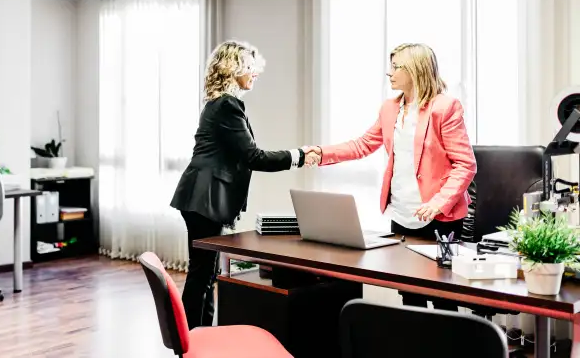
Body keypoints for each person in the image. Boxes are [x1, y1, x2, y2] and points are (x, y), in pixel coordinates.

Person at [310, 43, 476, 310]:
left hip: (440, 219)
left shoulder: (444, 108)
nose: (390, 73)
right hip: (401, 215)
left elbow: (465, 164)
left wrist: (438, 202)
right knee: (410, 295)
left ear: (416, 70)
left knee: (444, 297)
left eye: (397, 66)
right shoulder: (390, 108)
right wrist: (320, 153)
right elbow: (362, 145)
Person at [170, 40, 318, 329]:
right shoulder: (227, 104)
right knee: (202, 274)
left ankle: (199, 337)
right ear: (232, 69)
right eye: (250, 67)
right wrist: (298, 156)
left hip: (199, 196)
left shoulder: (218, 103)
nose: (255, 73)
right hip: (205, 198)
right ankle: (190, 343)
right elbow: (253, 156)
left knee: (205, 274)